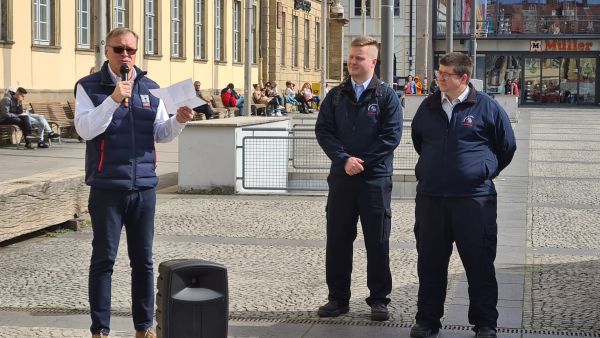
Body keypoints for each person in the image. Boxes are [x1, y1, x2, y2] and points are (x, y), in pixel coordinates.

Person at [74, 27, 195, 338]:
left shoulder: (150, 88)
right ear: (106, 51)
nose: (125, 55)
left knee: (143, 261)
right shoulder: (89, 87)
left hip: (143, 187)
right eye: (118, 50)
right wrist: (114, 99)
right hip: (107, 187)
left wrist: (178, 120)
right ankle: (100, 329)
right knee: (104, 261)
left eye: (130, 50)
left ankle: (144, 328)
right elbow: (86, 130)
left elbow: (160, 133)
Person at [409, 52, 516, 338]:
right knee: (430, 263)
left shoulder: (487, 107)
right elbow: (419, 140)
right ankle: (427, 320)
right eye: (438, 73)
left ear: (463, 78)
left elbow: (506, 146)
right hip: (432, 199)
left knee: (479, 264)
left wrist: (482, 169)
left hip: (474, 201)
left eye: (446, 74)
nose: (439, 78)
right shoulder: (428, 106)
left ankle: (484, 324)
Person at [314, 35, 403, 322]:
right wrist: (344, 159)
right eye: (351, 57)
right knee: (338, 240)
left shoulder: (386, 96)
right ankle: (337, 299)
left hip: (374, 180)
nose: (352, 62)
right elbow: (323, 131)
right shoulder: (336, 95)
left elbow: (391, 137)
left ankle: (379, 300)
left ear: (373, 62)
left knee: (377, 241)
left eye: (359, 58)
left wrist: (360, 162)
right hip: (342, 179)